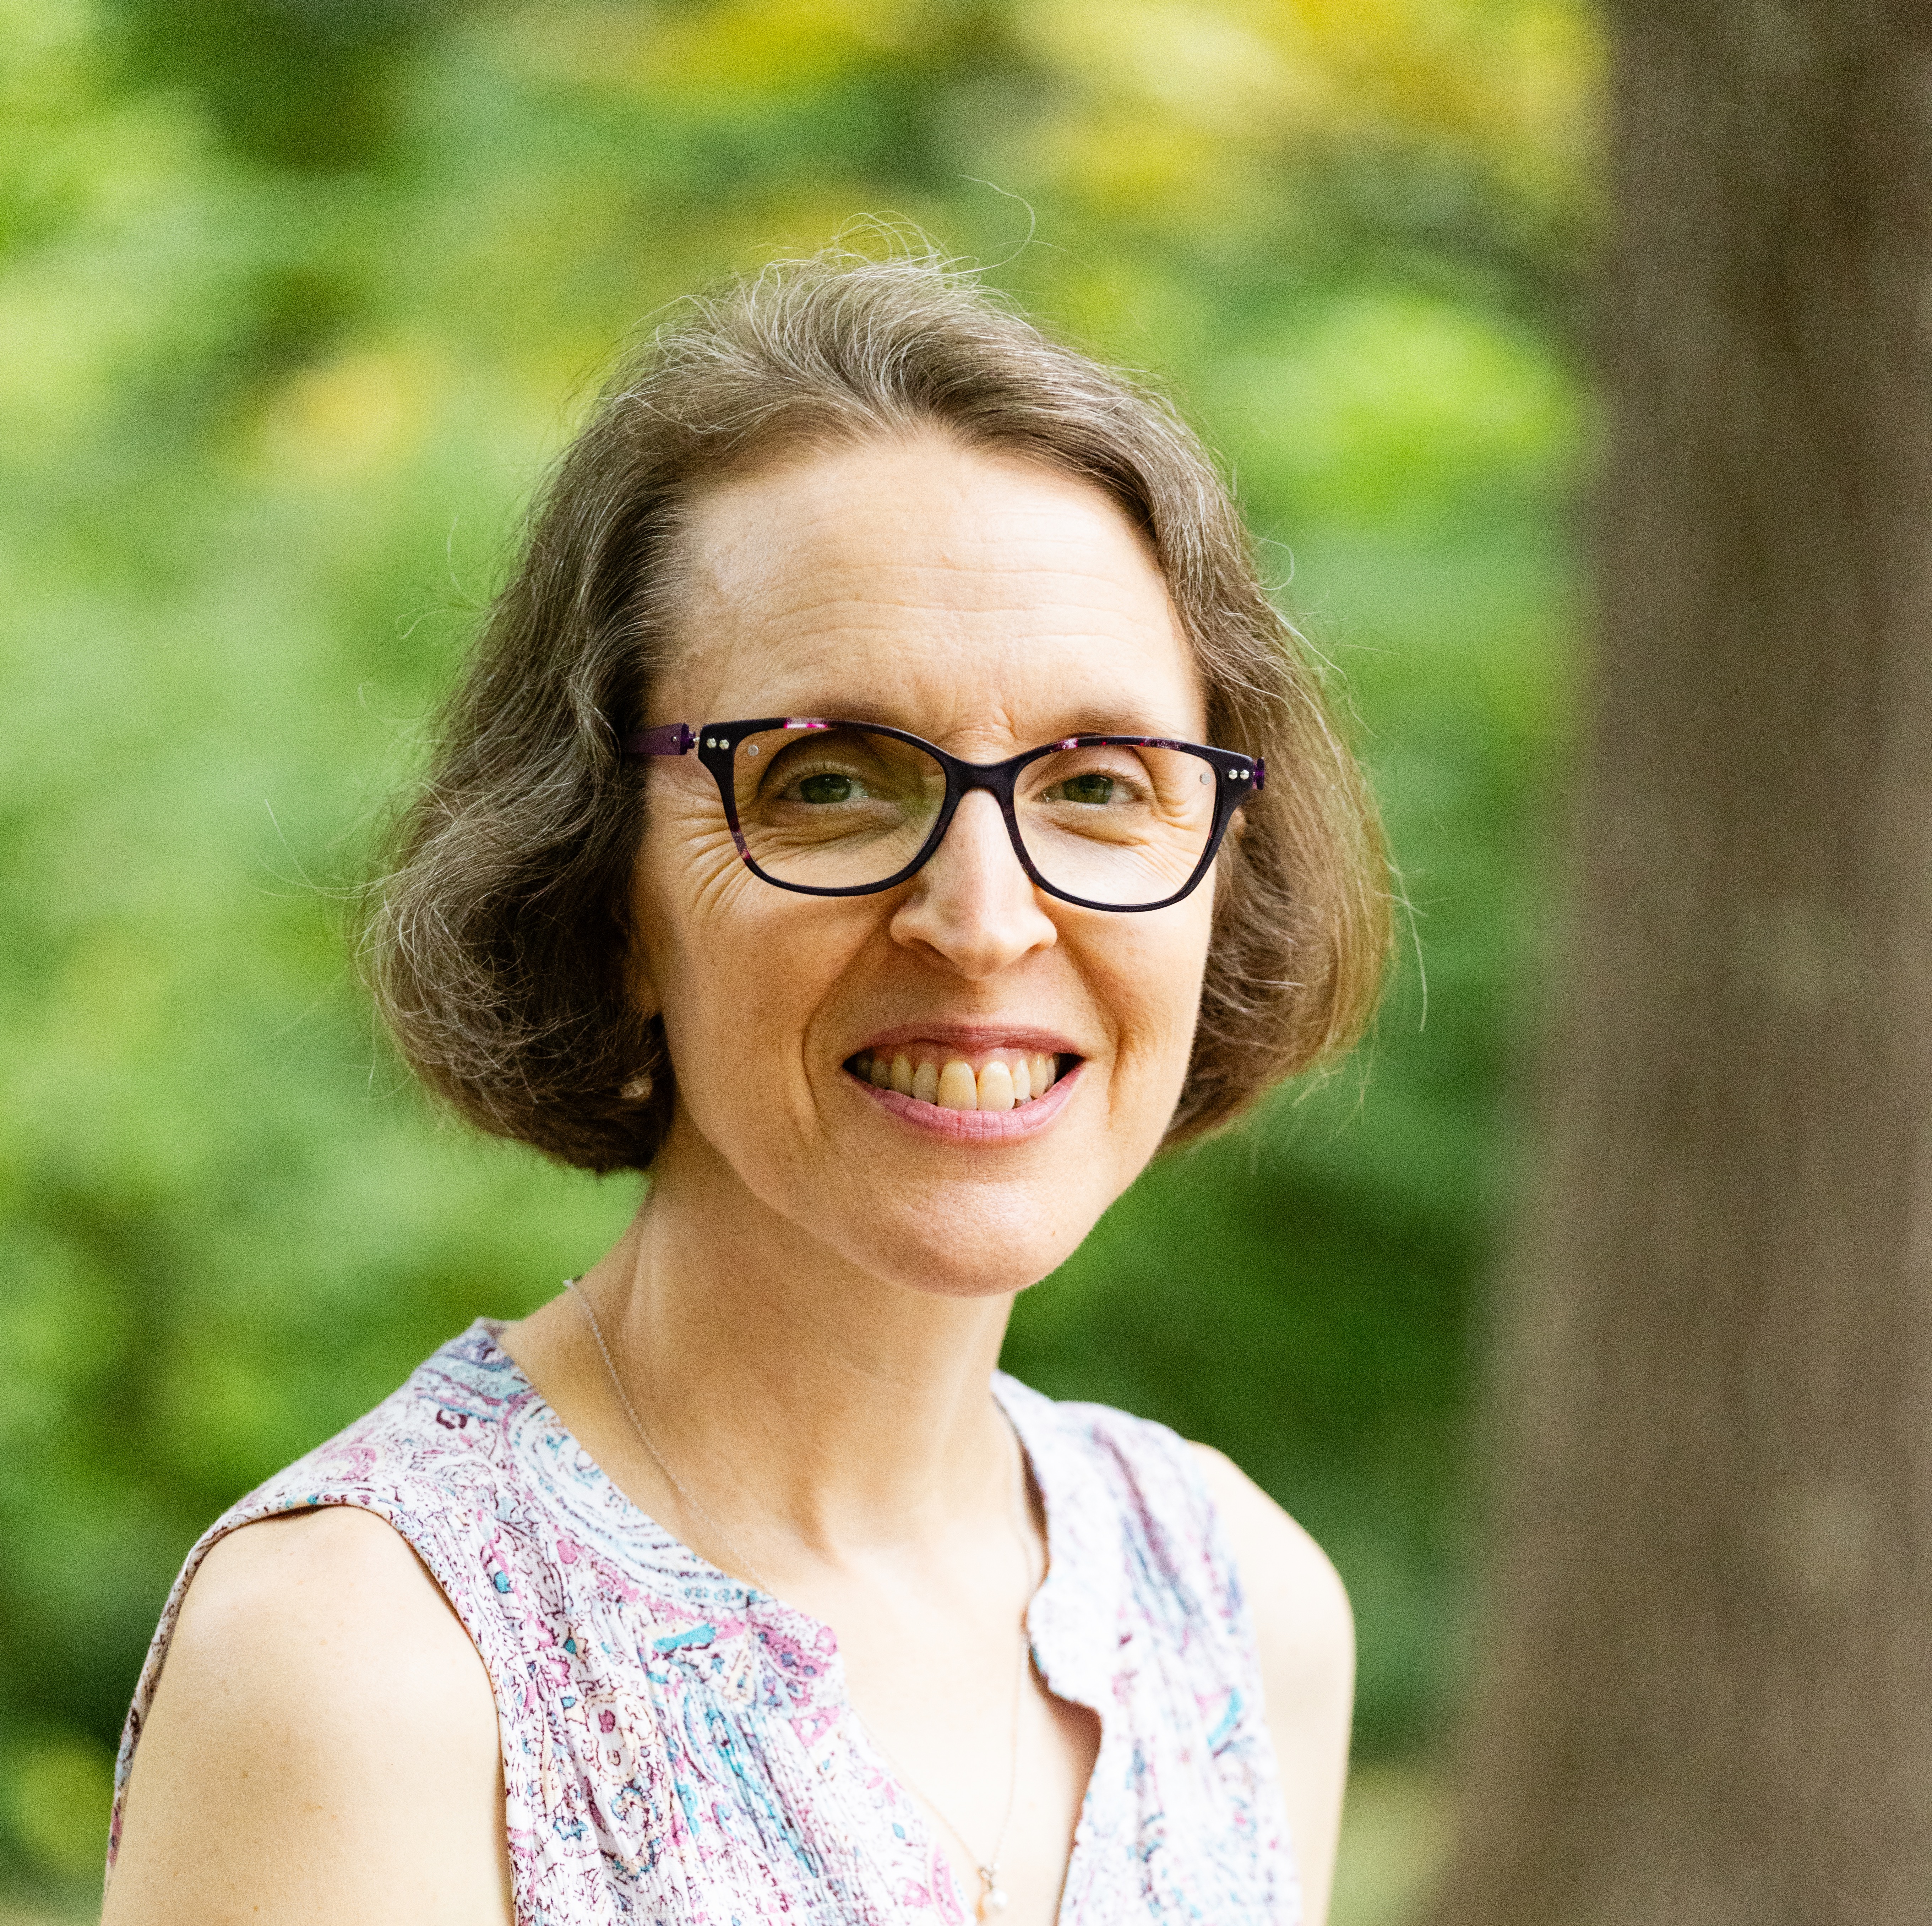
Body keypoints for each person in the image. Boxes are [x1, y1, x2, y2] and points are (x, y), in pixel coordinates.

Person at [101, 247, 1388, 1926]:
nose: (986, 919)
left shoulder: (1232, 1604)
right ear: (599, 880)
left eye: (1095, 781)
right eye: (831, 781)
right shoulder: (371, 1672)